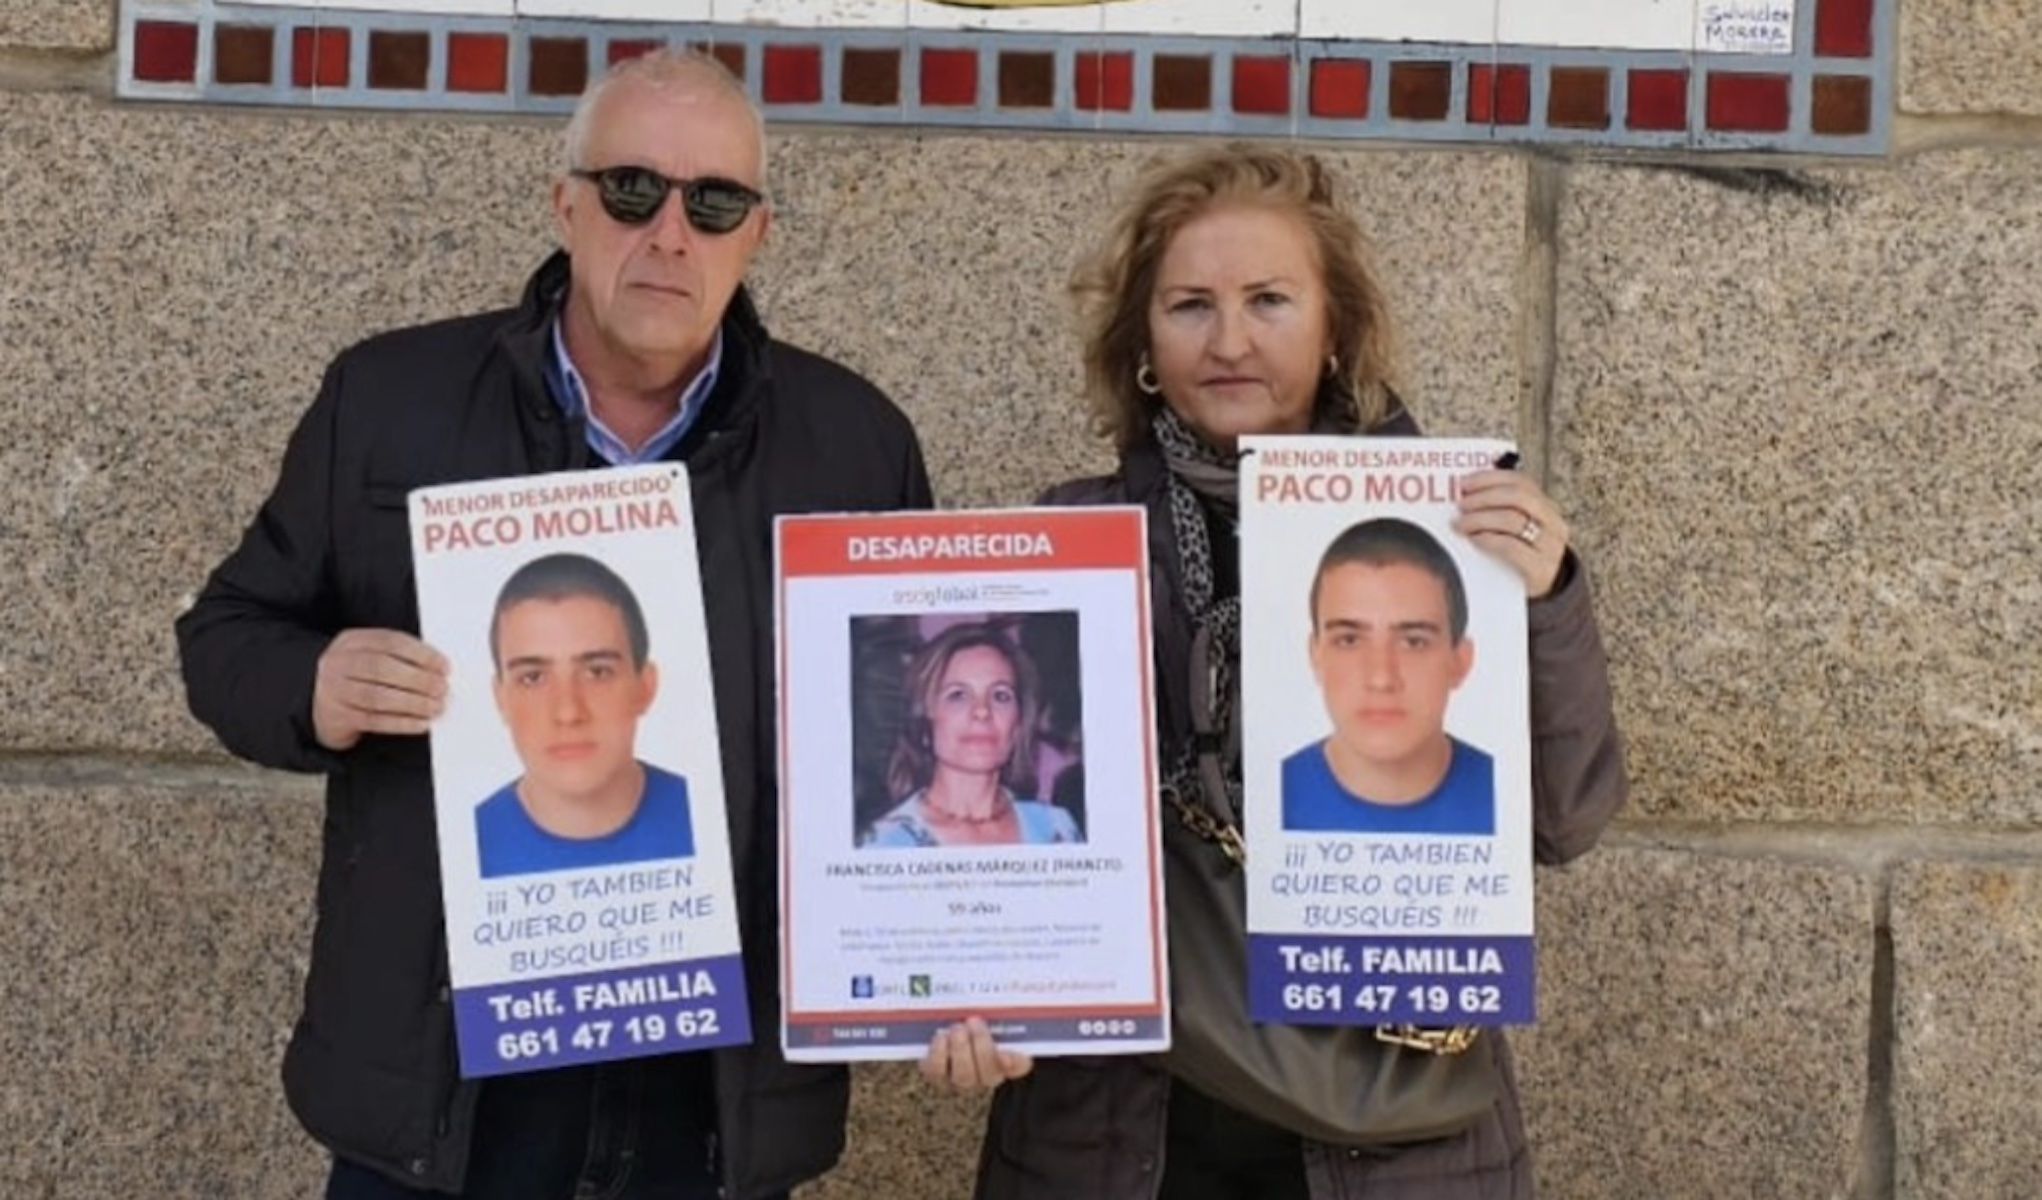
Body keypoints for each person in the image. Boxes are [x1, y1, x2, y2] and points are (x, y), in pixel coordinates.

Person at [175, 47, 931, 1200]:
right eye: (632, 190)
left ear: (757, 232)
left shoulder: (854, 444)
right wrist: (312, 682)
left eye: (712, 202)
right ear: (564, 202)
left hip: (710, 1096)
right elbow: (226, 634)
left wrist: (968, 967)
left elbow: (899, 748)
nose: (670, 233)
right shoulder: (387, 400)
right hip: (445, 1096)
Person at [919, 145, 1627, 1199]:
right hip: (1116, 1136)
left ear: (1334, 327)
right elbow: (992, 831)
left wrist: (1547, 597)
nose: (1230, 339)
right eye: (1190, 305)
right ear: (1144, 342)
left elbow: (1563, 819)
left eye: (1269, 300)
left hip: (1396, 1148)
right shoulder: (1065, 540)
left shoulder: (1457, 532)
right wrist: (963, 995)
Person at [476, 552, 694, 878]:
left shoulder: (711, 818)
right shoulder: (463, 848)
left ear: (646, 687)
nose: (568, 712)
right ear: (500, 698)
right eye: (533, 677)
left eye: (597, 672)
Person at [1281, 518, 1494, 837]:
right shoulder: (1265, 796)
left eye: (1414, 642)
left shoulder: (1506, 791)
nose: (1381, 678)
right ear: (1315, 655)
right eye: (1349, 640)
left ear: (1460, 661)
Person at [861, 623, 1082, 848]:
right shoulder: (884, 843)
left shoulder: (1058, 829)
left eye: (1000, 696)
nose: (982, 711)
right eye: (958, 695)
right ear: (924, 717)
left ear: (1018, 724)